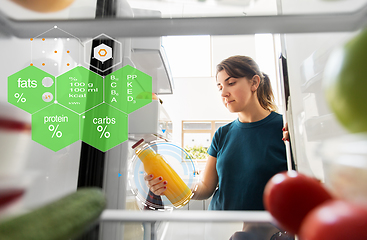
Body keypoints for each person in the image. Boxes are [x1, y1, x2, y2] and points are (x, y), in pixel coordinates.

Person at [145, 55, 289, 238]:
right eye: (220, 87)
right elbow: (206, 187)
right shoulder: (222, 134)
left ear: (254, 82)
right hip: (219, 229)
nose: (223, 93)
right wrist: (171, 185)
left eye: (231, 83)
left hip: (265, 234)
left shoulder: (283, 128)